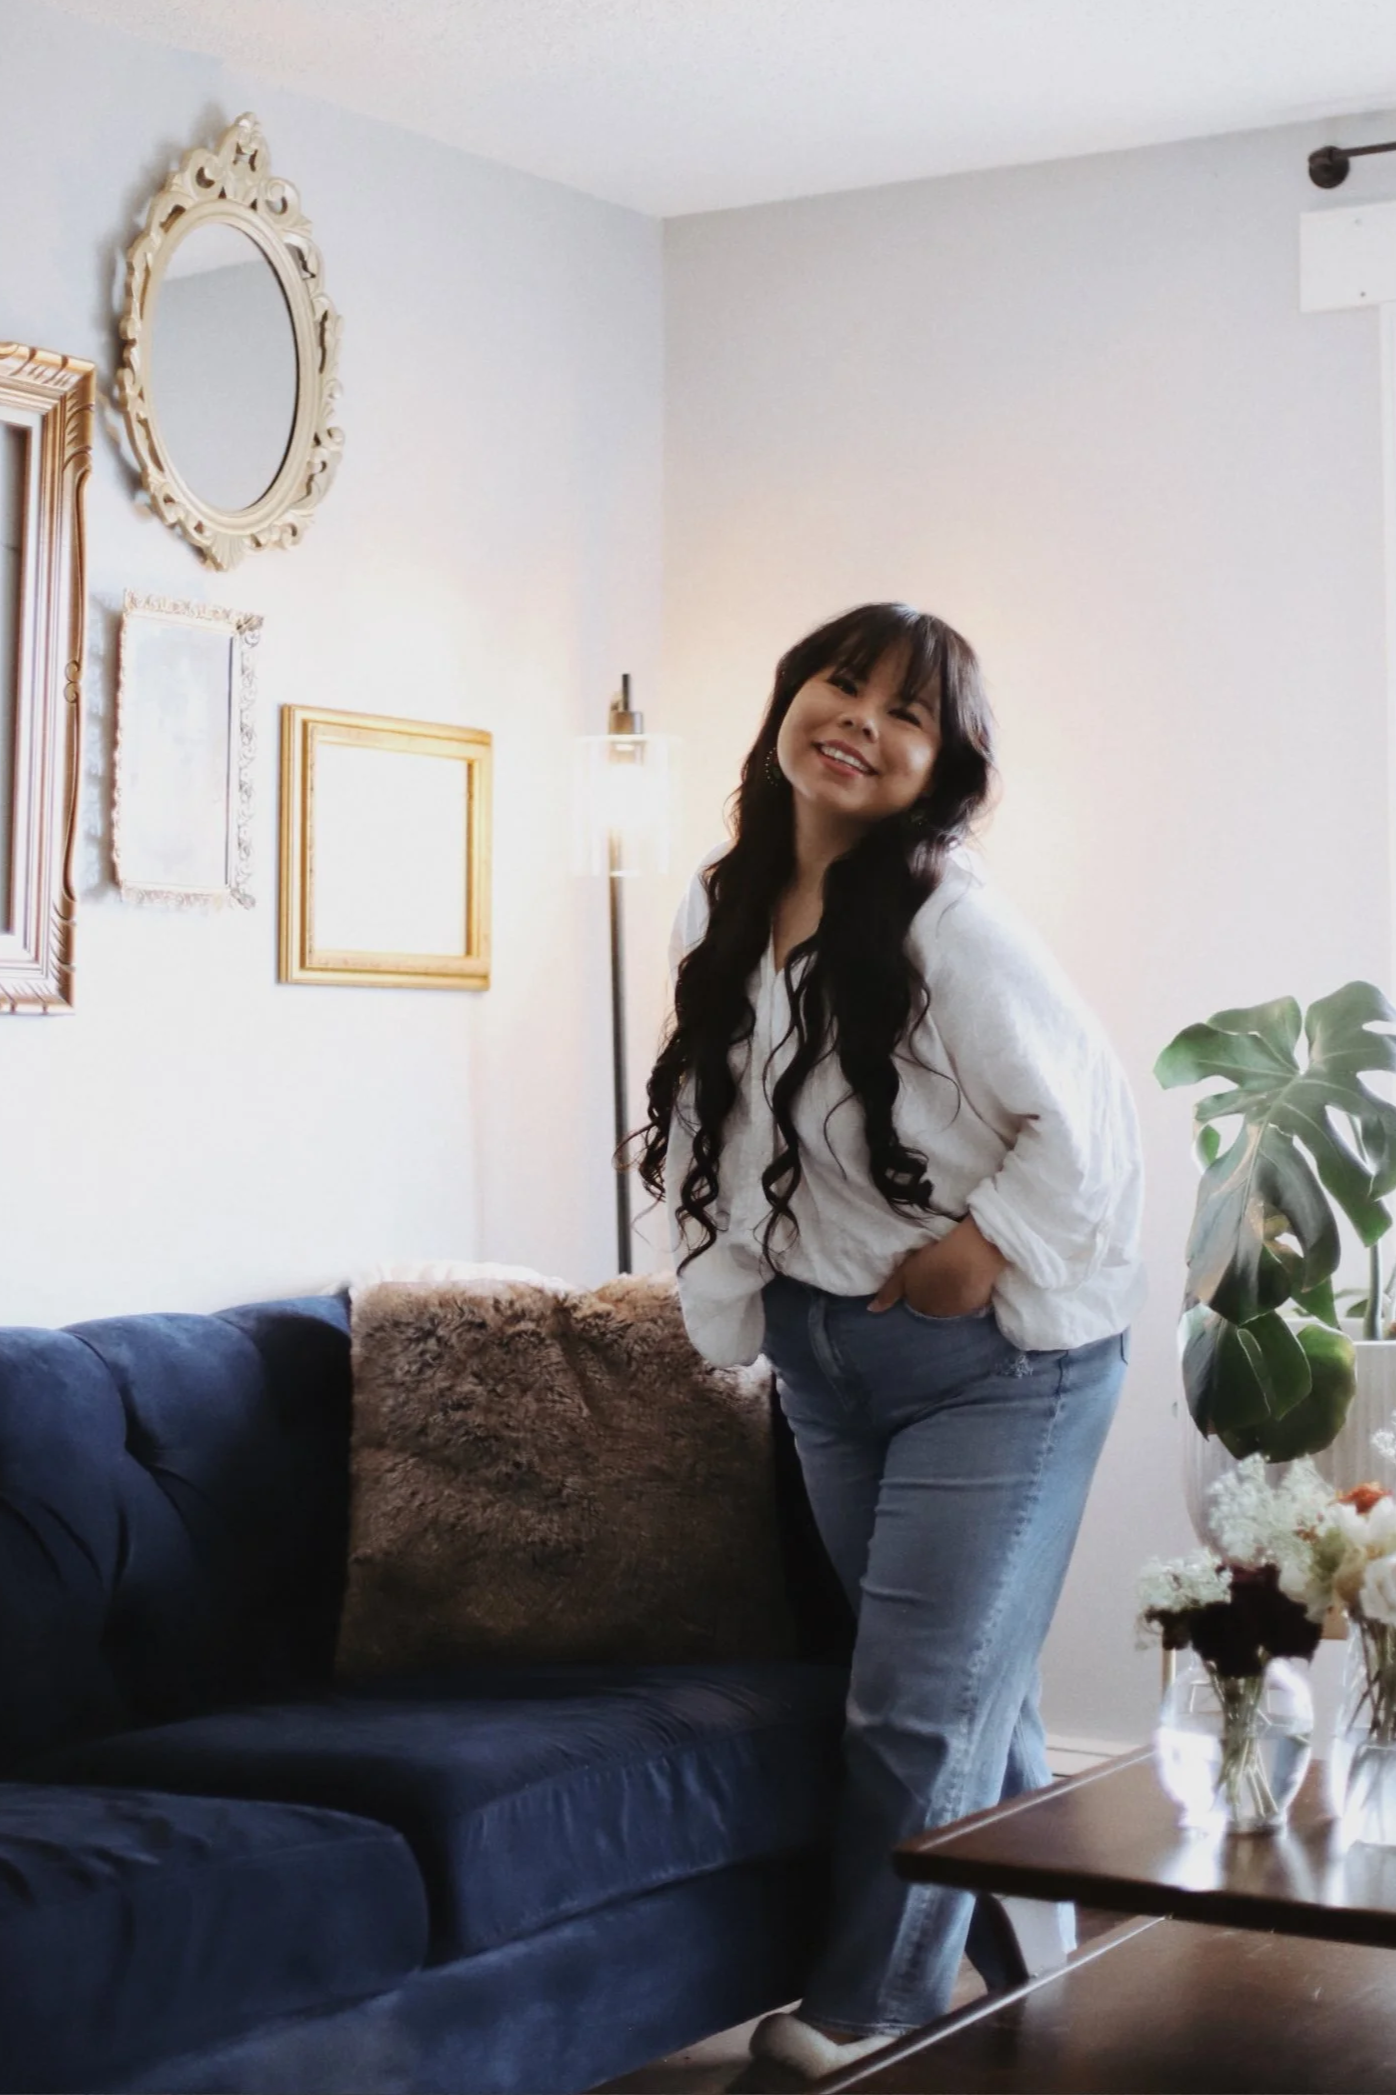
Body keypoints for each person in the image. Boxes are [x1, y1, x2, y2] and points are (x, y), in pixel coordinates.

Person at [637, 601, 1144, 2086]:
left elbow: (1093, 1123)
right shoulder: (718, 901)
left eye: (903, 712)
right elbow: (714, 1130)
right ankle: (1066, 1966)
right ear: (788, 699)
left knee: (916, 1698)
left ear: (942, 766)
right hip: (828, 1366)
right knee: (960, 1688)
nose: (858, 720)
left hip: (1004, 1374)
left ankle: (873, 2003)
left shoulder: (949, 922)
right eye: (838, 684)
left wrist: (978, 1251)